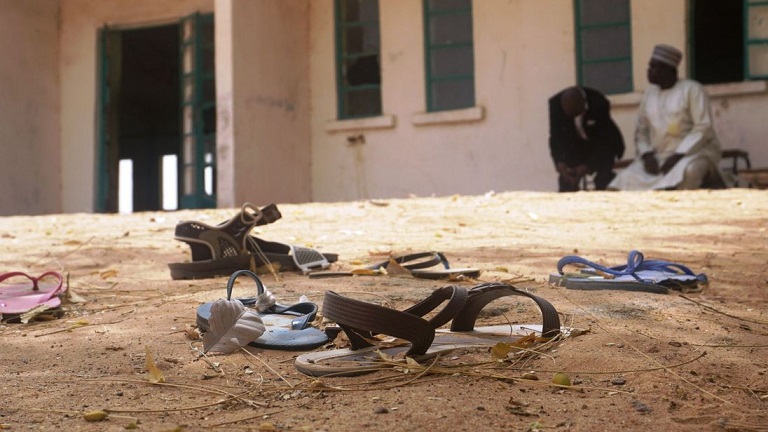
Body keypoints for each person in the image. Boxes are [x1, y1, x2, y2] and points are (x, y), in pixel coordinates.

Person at [608, 44, 723, 191]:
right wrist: (647, 154)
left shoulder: (692, 89)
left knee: (689, 172)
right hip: (658, 157)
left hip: (694, 154)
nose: (649, 71)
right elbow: (641, 131)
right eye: (650, 66)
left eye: (654, 67)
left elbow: (703, 127)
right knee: (623, 180)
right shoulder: (649, 94)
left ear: (669, 70)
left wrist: (679, 155)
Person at [549, 86, 625, 192]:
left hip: (603, 143)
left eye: (577, 114)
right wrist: (560, 163)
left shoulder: (599, 103)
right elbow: (555, 138)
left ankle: (607, 200)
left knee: (603, 178)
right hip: (577, 144)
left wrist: (587, 166)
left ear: (584, 103)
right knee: (566, 179)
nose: (575, 119)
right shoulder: (554, 105)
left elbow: (605, 141)